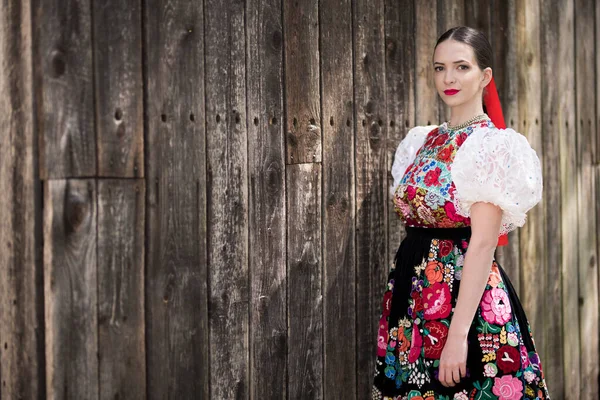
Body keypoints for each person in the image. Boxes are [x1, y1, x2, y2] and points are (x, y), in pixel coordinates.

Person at [371, 26, 551, 400]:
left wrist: (456, 336)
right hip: (413, 296)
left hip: (461, 299)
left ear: (485, 76)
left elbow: (484, 243)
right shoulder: (422, 139)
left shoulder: (491, 146)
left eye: (461, 67)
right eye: (439, 68)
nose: (448, 78)